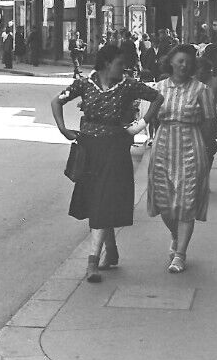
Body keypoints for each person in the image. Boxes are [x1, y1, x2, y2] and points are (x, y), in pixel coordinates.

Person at [51, 39, 161, 283]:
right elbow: (57, 101)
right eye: (119, 64)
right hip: (89, 150)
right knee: (98, 201)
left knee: (102, 201)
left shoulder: (128, 86)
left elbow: (156, 98)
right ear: (106, 64)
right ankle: (110, 252)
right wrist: (63, 129)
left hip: (114, 150)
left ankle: (92, 263)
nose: (123, 69)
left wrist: (140, 125)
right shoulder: (84, 84)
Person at [144, 42, 217, 274]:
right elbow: (152, 119)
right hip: (163, 146)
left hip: (191, 145)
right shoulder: (158, 88)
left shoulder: (201, 90)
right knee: (165, 203)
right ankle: (175, 235)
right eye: (180, 61)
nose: (184, 65)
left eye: (188, 62)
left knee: (187, 201)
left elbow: (209, 121)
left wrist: (207, 150)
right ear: (171, 63)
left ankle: (180, 254)